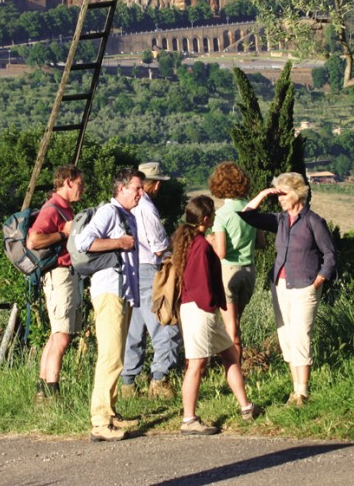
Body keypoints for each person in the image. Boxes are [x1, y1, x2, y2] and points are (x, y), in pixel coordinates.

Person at [238, 172, 336, 406]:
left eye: (284, 194)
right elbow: (248, 216)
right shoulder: (280, 220)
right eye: (278, 193)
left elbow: (330, 255)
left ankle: (302, 392)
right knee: (287, 338)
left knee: (301, 336)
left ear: (298, 193)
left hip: (305, 286)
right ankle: (295, 391)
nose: (280, 198)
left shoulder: (314, 221)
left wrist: (318, 282)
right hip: (280, 285)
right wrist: (263, 194)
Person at [174, 195, 260, 435]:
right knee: (197, 364)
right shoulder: (200, 245)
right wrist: (211, 304)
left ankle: (246, 406)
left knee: (230, 354)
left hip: (200, 309)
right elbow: (200, 281)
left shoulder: (190, 240)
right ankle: (189, 419)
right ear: (205, 218)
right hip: (200, 310)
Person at [74, 168, 144, 442]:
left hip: (121, 292)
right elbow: (83, 241)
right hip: (109, 292)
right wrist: (119, 242)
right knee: (111, 355)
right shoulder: (109, 212)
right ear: (121, 189)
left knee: (117, 354)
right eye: (137, 188)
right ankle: (100, 421)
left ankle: (110, 412)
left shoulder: (126, 215)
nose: (141, 193)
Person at [120, 162, 182, 399]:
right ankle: (160, 379)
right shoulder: (147, 208)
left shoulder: (126, 206)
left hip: (130, 269)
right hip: (149, 269)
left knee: (134, 329)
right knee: (164, 323)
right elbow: (158, 247)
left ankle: (128, 382)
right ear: (155, 184)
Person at [25, 164, 84, 401]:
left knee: (56, 334)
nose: (83, 189)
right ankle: (53, 391)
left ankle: (42, 392)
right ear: (68, 182)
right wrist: (64, 234)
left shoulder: (63, 208)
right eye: (80, 184)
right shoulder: (53, 209)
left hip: (62, 275)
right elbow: (34, 241)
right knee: (62, 336)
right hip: (60, 275)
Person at [207, 161, 257, 365]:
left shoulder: (221, 215)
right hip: (249, 271)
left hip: (228, 271)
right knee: (236, 323)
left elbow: (221, 252)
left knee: (231, 329)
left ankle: (235, 370)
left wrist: (209, 240)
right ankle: (237, 366)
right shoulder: (250, 211)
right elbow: (261, 242)